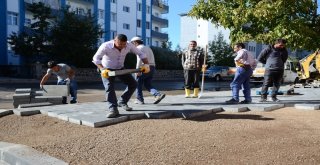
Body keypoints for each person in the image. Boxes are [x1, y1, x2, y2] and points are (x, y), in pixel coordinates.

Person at [92, 34, 150, 118]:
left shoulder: (129, 45)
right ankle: (113, 109)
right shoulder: (105, 46)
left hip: (120, 68)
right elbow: (96, 58)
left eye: (124, 44)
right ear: (114, 41)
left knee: (133, 84)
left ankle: (122, 101)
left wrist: (146, 64)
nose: (122, 47)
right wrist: (102, 69)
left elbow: (141, 54)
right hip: (107, 70)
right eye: (120, 44)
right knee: (109, 87)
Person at [130, 36, 166, 104]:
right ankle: (158, 94)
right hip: (152, 67)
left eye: (132, 43)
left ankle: (139, 99)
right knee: (147, 84)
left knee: (138, 84)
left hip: (144, 67)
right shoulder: (148, 47)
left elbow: (139, 60)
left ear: (135, 42)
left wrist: (138, 70)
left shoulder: (138, 48)